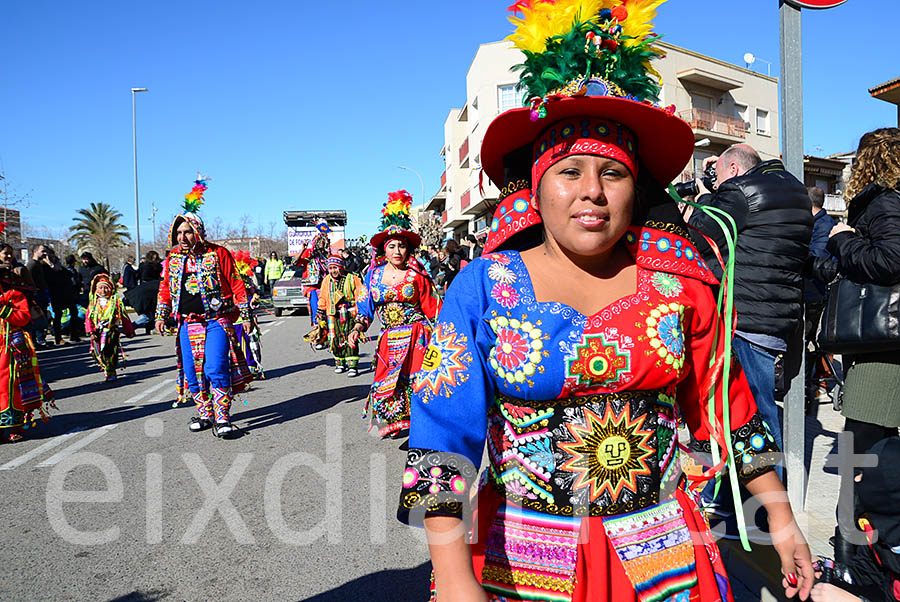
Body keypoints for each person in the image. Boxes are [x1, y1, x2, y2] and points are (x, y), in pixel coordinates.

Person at [397, 3, 813, 601]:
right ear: (535, 190)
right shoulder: (483, 289)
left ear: (634, 189)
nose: (592, 191)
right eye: (570, 171)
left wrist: (781, 518)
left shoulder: (680, 286)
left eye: (612, 174)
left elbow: (730, 413)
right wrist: (458, 580)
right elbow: (441, 437)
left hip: (665, 556)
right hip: (520, 560)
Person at [688, 143, 813, 471]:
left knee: (753, 417)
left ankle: (767, 506)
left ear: (732, 170)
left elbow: (700, 237)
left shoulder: (739, 191)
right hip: (778, 319)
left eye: (718, 174)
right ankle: (759, 502)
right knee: (762, 411)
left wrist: (704, 197)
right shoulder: (796, 193)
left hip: (743, 317)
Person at [813, 128, 900, 563]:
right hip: (885, 346)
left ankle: (853, 554)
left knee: (859, 451)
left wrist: (842, 238)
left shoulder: (883, 201)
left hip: (882, 349)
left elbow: (889, 261)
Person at [154, 177, 253, 439]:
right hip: (189, 322)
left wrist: (246, 315)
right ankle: (205, 413)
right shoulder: (173, 258)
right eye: (178, 233)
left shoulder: (218, 253)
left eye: (187, 232)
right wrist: (161, 315)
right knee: (191, 370)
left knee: (215, 366)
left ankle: (223, 417)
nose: (182, 237)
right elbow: (166, 287)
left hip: (217, 319)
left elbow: (235, 282)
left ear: (197, 232)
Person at [349, 189, 442, 439]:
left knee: (417, 381)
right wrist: (358, 327)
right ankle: (394, 422)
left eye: (402, 245)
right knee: (386, 382)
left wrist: (445, 335)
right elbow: (365, 307)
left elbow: (433, 307)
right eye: (392, 246)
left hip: (417, 337)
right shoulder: (373, 275)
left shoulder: (417, 274)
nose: (397, 251)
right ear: (384, 249)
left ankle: (419, 425)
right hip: (389, 339)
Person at [810, 437, 900, 602]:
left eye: (868, 476)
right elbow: (865, 571)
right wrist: (826, 567)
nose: (857, 480)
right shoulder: (879, 531)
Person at [0, 251, 55, 443]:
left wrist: (3, 309)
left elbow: (23, 318)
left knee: (11, 386)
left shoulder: (14, 294)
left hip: (11, 348)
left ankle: (15, 426)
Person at [805, 186, 838, 405]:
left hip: (818, 292)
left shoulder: (824, 225)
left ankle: (816, 383)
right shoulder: (818, 223)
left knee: (813, 340)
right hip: (811, 290)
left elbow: (817, 256)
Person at [314, 253, 366, 376]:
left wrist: (360, 313)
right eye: (331, 268)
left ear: (341, 267)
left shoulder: (352, 278)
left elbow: (360, 296)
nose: (333, 271)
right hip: (333, 314)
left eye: (335, 268)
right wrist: (320, 311)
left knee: (350, 338)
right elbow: (323, 297)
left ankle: (353, 365)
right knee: (335, 339)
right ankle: (340, 363)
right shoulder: (327, 280)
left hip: (350, 314)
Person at [85, 273, 135, 382]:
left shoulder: (115, 303)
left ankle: (111, 371)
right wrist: (91, 331)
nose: (103, 291)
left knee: (111, 352)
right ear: (96, 290)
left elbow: (124, 317)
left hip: (111, 331)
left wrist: (129, 331)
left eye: (106, 288)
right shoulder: (93, 304)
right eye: (100, 288)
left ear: (111, 288)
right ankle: (106, 368)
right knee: (98, 352)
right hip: (98, 332)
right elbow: (88, 319)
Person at [45, 248, 83, 344]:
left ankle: (74, 334)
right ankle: (58, 337)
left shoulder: (59, 266)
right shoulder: (45, 267)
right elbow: (50, 280)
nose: (52, 258)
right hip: (56, 294)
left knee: (74, 312)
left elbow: (68, 274)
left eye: (53, 256)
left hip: (67, 293)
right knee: (58, 316)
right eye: (49, 257)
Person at [295, 230, 330, 330]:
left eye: (324, 241)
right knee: (317, 310)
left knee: (328, 311)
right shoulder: (309, 254)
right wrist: (302, 249)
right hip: (312, 288)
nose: (321, 243)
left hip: (325, 287)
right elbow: (295, 262)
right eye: (319, 241)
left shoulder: (327, 256)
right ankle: (318, 335)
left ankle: (327, 334)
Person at [26, 244, 50, 346]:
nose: (45, 253)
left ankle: (40, 339)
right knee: (36, 316)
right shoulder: (31, 264)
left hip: (42, 293)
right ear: (35, 251)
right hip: (36, 295)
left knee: (42, 315)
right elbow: (27, 279)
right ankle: (35, 340)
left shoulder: (40, 264)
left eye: (46, 251)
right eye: (43, 251)